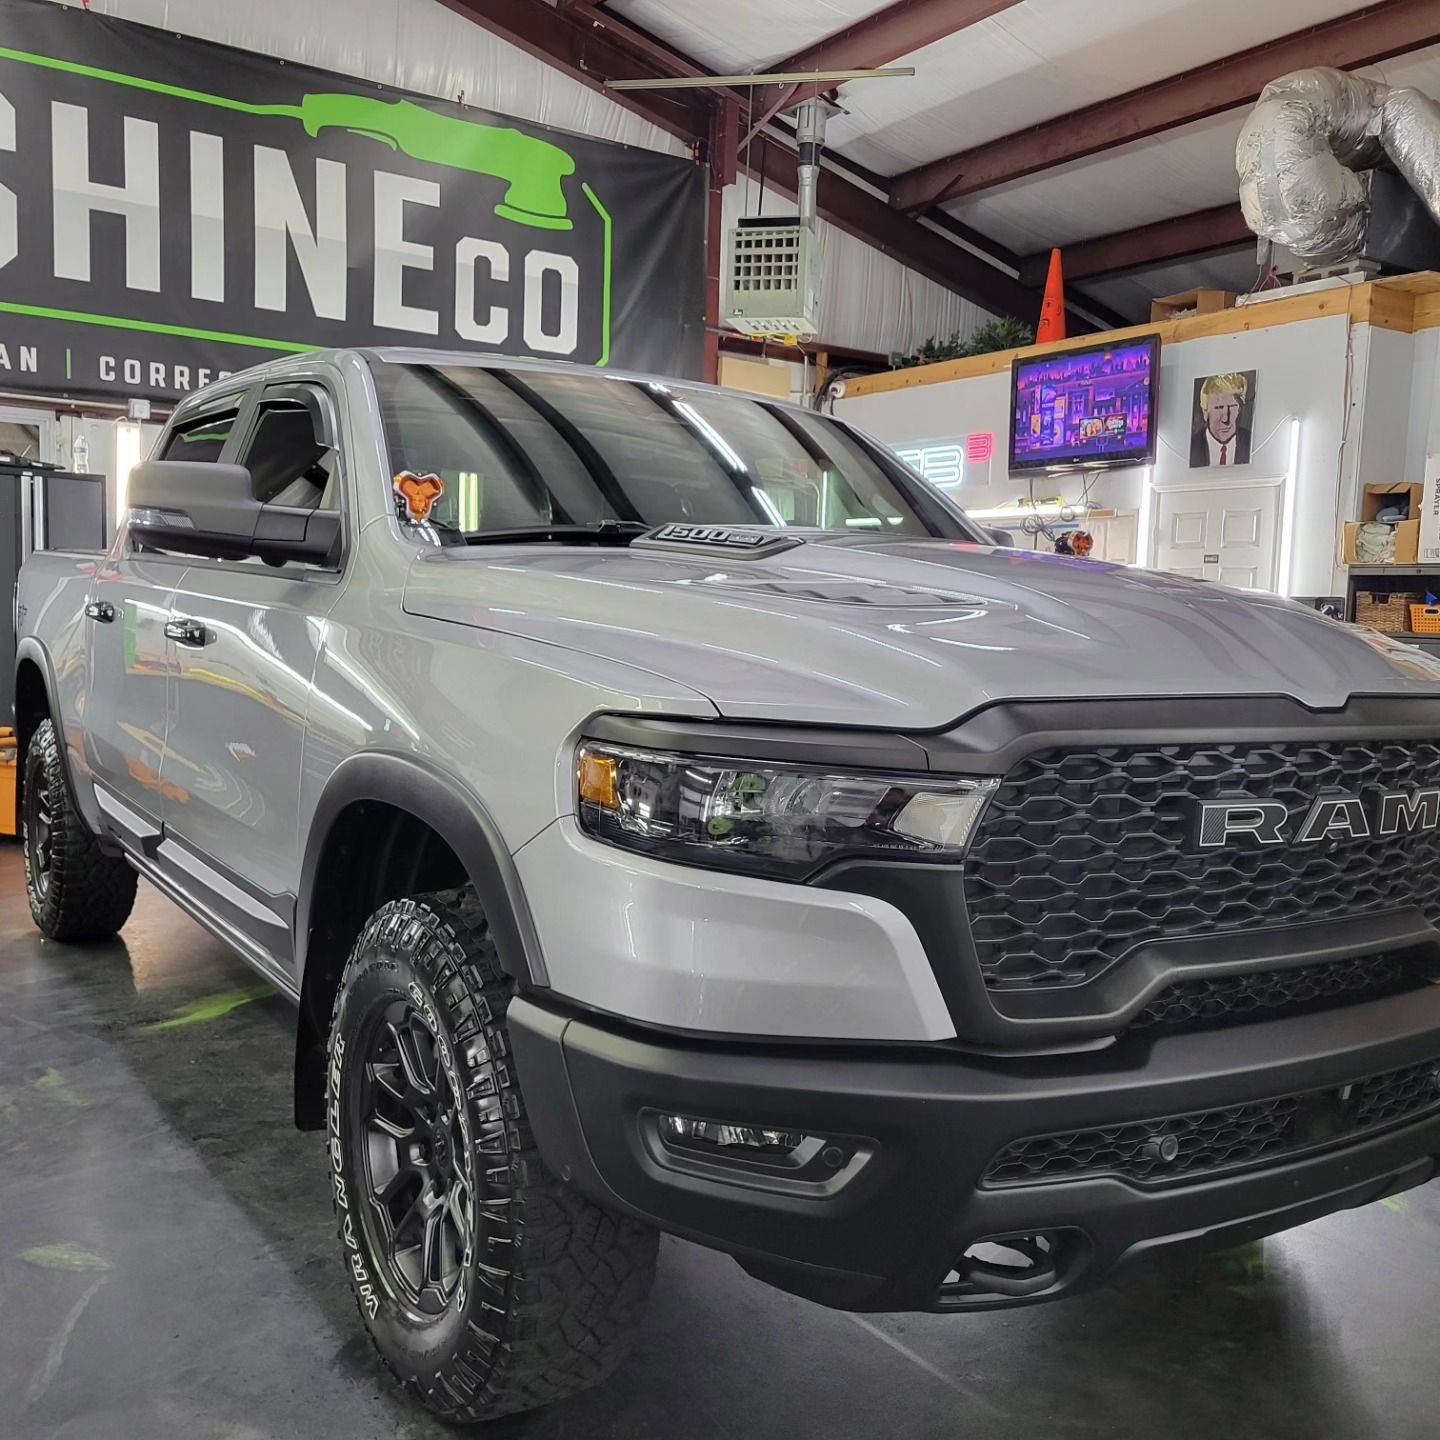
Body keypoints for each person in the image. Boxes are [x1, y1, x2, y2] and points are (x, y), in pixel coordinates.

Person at [1190, 372, 1252, 467]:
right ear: (1205, 412)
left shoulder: (1251, 444)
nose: (1226, 419)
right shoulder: (1190, 448)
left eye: (1232, 407)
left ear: (1240, 409)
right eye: (1219, 408)